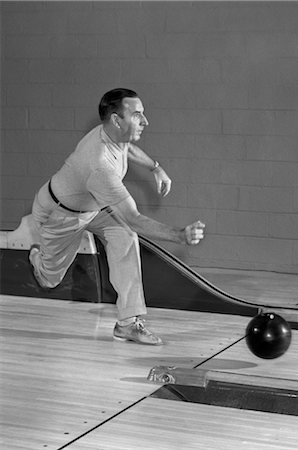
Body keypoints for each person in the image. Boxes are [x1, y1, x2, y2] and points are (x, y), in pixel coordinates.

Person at [29, 88, 205, 345]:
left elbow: (128, 150)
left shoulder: (113, 135)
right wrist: (179, 236)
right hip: (60, 215)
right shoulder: (99, 164)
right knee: (49, 280)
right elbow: (133, 216)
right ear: (116, 119)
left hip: (95, 207)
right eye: (137, 115)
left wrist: (156, 168)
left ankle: (127, 324)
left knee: (125, 234)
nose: (145, 121)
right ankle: (36, 255)